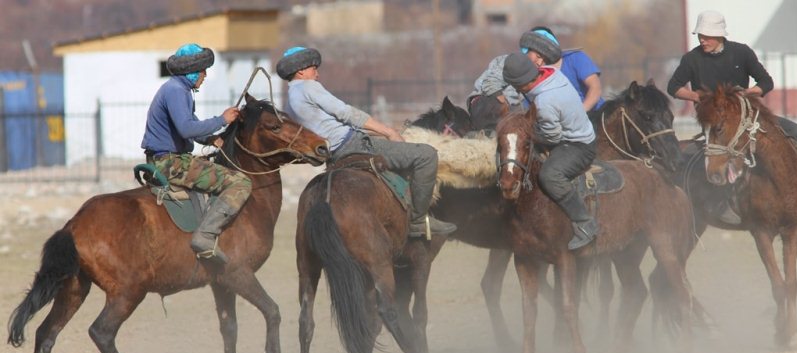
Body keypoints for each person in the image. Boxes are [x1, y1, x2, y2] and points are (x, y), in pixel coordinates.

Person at [276, 46, 456, 237]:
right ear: (301, 70)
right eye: (314, 68)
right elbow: (345, 113)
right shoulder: (308, 86)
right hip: (354, 145)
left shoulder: (290, 102)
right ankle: (418, 220)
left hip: (334, 157)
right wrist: (388, 131)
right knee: (426, 156)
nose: (317, 74)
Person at [667, 10, 797, 224]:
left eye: (707, 36)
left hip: (748, 117)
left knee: (796, 132)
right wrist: (694, 96)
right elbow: (673, 87)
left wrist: (749, 93)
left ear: (720, 35)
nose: (703, 40)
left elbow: (766, 82)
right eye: (700, 35)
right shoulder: (692, 59)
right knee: (712, 158)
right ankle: (721, 203)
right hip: (715, 125)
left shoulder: (742, 53)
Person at [141, 43, 250, 264]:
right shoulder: (176, 91)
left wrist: (208, 138)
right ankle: (206, 236)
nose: (205, 75)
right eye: (203, 71)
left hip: (167, 159)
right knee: (240, 182)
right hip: (170, 164)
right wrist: (221, 120)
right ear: (192, 71)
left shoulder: (177, 88)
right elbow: (186, 128)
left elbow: (189, 127)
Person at [502, 52, 598, 249]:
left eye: (516, 87)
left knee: (549, 175)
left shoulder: (545, 101)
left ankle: (584, 222)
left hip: (577, 145)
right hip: (566, 134)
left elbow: (552, 136)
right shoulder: (550, 72)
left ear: (523, 84)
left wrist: (528, 134)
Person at [468, 26, 604, 128]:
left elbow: (595, 88)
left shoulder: (575, 58)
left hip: (595, 116)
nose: (536, 61)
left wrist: (580, 111)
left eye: (538, 55)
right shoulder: (529, 76)